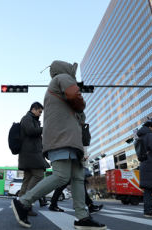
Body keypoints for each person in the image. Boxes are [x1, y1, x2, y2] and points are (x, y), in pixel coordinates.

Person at [11, 60, 106, 230]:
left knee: (78, 178)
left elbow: (76, 113)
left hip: (69, 139)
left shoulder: (56, 88)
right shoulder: (62, 77)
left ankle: (82, 217)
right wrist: (81, 106)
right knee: (62, 175)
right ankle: (23, 202)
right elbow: (74, 94)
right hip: (63, 138)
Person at [17, 102, 50, 216]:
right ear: (34, 109)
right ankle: (25, 201)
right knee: (39, 175)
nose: (40, 114)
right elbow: (30, 131)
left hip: (29, 155)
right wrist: (44, 128)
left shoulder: (32, 119)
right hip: (30, 154)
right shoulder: (27, 118)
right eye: (40, 111)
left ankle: (22, 205)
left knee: (27, 180)